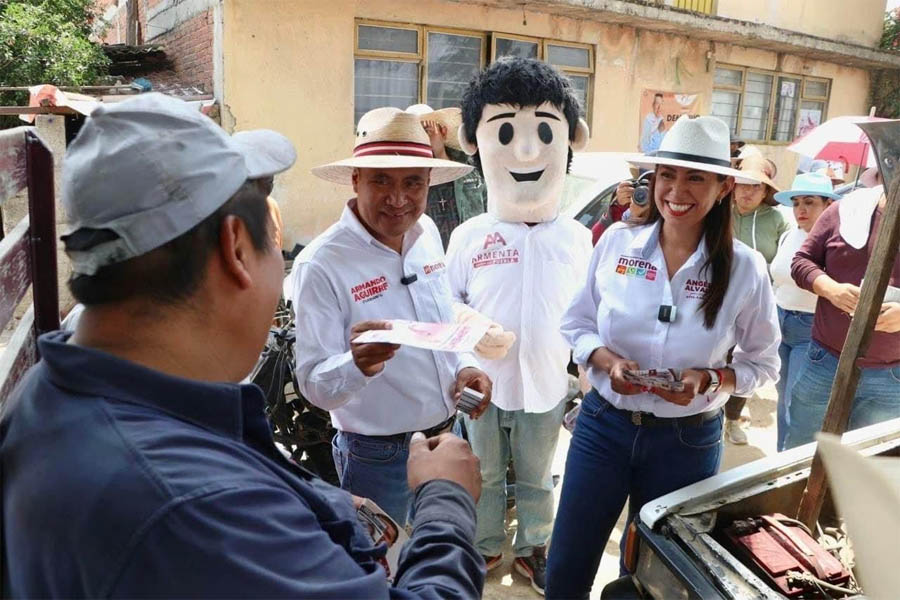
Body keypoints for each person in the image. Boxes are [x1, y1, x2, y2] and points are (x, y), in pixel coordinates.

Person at [1, 93, 486, 598]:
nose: (399, 197)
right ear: (237, 249)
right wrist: (445, 501)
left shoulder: (58, 390)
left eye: (414, 182)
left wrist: (323, 499)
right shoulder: (202, 506)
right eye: (275, 246)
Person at [545, 115, 780, 599]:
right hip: (603, 428)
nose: (677, 190)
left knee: (654, 578)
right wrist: (607, 362)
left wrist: (710, 379)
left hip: (686, 443)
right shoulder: (616, 242)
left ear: (723, 187)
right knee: (567, 565)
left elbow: (763, 364)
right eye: (667, 175)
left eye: (695, 177)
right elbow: (577, 324)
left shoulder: (744, 270)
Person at [290, 106, 493, 526]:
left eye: (412, 183)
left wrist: (467, 367)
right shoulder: (321, 265)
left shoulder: (428, 234)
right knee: (385, 576)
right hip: (377, 457)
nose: (398, 199)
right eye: (381, 180)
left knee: (441, 557)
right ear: (356, 179)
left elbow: (442, 320)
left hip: (446, 439)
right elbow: (313, 385)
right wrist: (358, 364)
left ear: (427, 185)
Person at [446, 57, 592, 595]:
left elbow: (588, 313)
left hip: (548, 383)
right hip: (484, 384)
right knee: (482, 474)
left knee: (536, 477)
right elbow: (445, 304)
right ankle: (485, 547)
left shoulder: (577, 239)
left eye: (543, 133)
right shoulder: (468, 236)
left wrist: (586, 371)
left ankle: (534, 548)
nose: (526, 152)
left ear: (569, 141)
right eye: (505, 133)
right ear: (475, 142)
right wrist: (469, 327)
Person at [785, 180, 900, 448]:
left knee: (867, 463)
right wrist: (830, 289)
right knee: (801, 453)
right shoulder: (846, 210)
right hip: (825, 362)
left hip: (892, 375)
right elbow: (802, 261)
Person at [769, 173, 840, 450]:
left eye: (810, 202)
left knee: (796, 403)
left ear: (828, 206)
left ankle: (791, 466)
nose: (801, 209)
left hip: (810, 329)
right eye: (797, 202)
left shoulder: (836, 242)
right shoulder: (789, 234)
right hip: (779, 321)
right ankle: (780, 456)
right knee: (781, 395)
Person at [724, 154, 790, 445]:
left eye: (756, 187)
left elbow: (784, 262)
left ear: (766, 192)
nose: (747, 192)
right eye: (743, 184)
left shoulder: (777, 220)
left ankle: (732, 418)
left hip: (758, 303)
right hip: (716, 298)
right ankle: (712, 412)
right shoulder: (718, 212)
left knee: (750, 360)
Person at [407, 104, 487, 249]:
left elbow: (487, 204)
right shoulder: (406, 170)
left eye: (428, 129)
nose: (426, 136)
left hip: (472, 247)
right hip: (429, 251)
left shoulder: (470, 166)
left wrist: (439, 151)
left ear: (443, 131)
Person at [591, 172, 654, 245]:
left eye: (653, 190)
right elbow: (594, 242)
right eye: (644, 187)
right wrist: (619, 207)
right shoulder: (626, 215)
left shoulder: (665, 226)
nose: (644, 194)